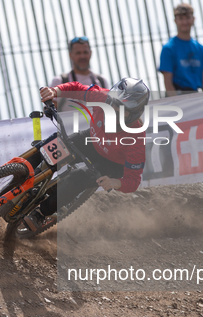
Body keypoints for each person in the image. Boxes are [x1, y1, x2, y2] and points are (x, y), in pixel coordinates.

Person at [24, 78, 150, 230]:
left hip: (112, 164)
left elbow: (134, 181)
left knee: (77, 177)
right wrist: (55, 91)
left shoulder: (136, 138)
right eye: (114, 105)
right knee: (49, 148)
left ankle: (41, 214)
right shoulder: (102, 97)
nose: (114, 111)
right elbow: (76, 87)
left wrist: (116, 183)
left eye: (123, 111)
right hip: (92, 140)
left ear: (135, 114)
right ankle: (21, 177)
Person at [158, 3, 203, 95]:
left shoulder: (202, 49)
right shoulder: (168, 49)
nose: (185, 22)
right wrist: (177, 105)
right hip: (177, 96)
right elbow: (168, 84)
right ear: (175, 21)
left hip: (196, 97)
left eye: (187, 18)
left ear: (193, 19)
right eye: (181, 18)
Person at [49, 36, 109, 111]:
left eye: (85, 52)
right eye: (78, 53)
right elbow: (49, 113)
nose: (82, 56)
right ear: (71, 55)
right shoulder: (60, 81)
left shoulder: (101, 81)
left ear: (90, 53)